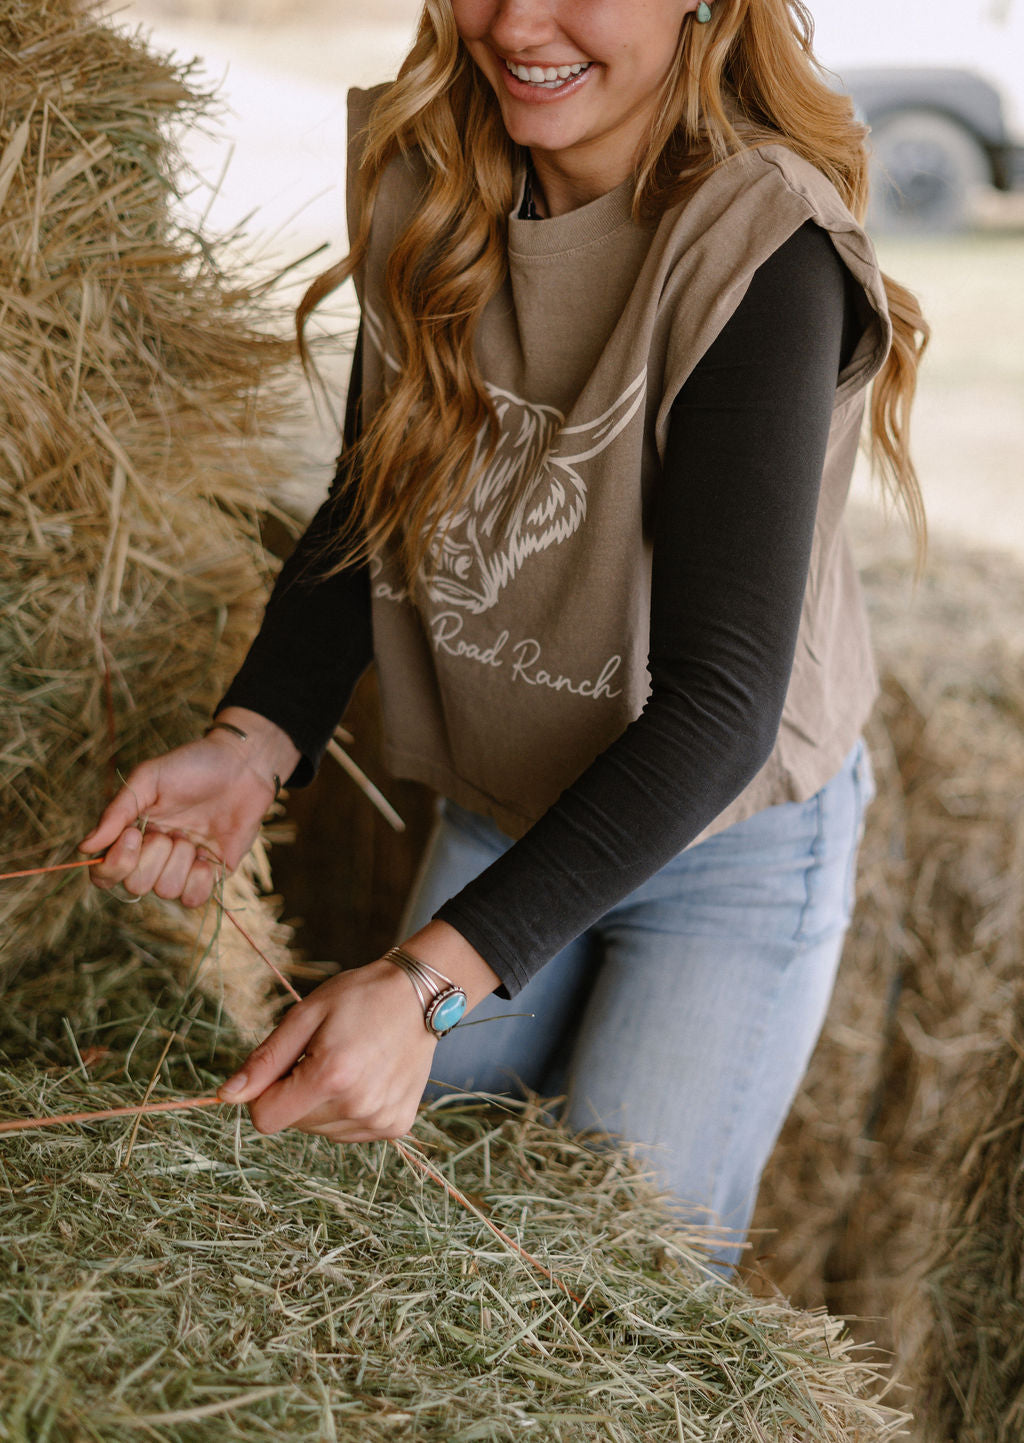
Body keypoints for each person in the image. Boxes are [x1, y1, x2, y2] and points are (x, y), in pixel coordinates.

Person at [80, 0, 927, 1267]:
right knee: (387, 1239)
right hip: (506, 803)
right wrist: (253, 742)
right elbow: (376, 493)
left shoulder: (763, 247)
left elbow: (720, 703)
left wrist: (422, 988)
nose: (518, 20)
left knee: (616, 1294)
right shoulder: (429, 171)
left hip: (724, 846)